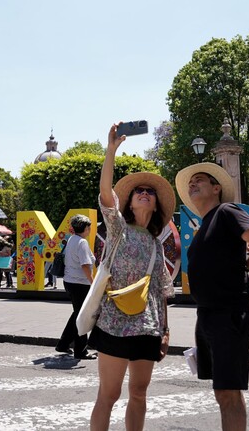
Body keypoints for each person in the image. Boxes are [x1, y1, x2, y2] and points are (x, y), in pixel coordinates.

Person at [175, 162, 249, 431]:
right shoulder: (207, 223)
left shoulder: (226, 211)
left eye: (199, 180)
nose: (192, 184)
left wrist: (244, 266)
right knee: (222, 392)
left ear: (216, 188)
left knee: (229, 392)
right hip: (209, 313)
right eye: (190, 183)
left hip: (228, 312)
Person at [89, 123, 176, 431]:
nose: (143, 193)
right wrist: (111, 151)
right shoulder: (118, 229)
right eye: (139, 191)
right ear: (128, 201)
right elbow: (105, 192)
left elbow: (160, 292)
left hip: (148, 327)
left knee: (139, 393)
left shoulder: (156, 243)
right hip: (114, 323)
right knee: (108, 395)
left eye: (149, 192)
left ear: (155, 204)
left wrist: (165, 330)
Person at [55, 214, 97, 360]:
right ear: (85, 228)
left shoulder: (72, 239)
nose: (90, 229)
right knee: (82, 317)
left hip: (70, 282)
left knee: (77, 314)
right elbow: (85, 265)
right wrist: (93, 283)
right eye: (89, 226)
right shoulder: (82, 242)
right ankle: (81, 351)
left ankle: (63, 344)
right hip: (80, 284)